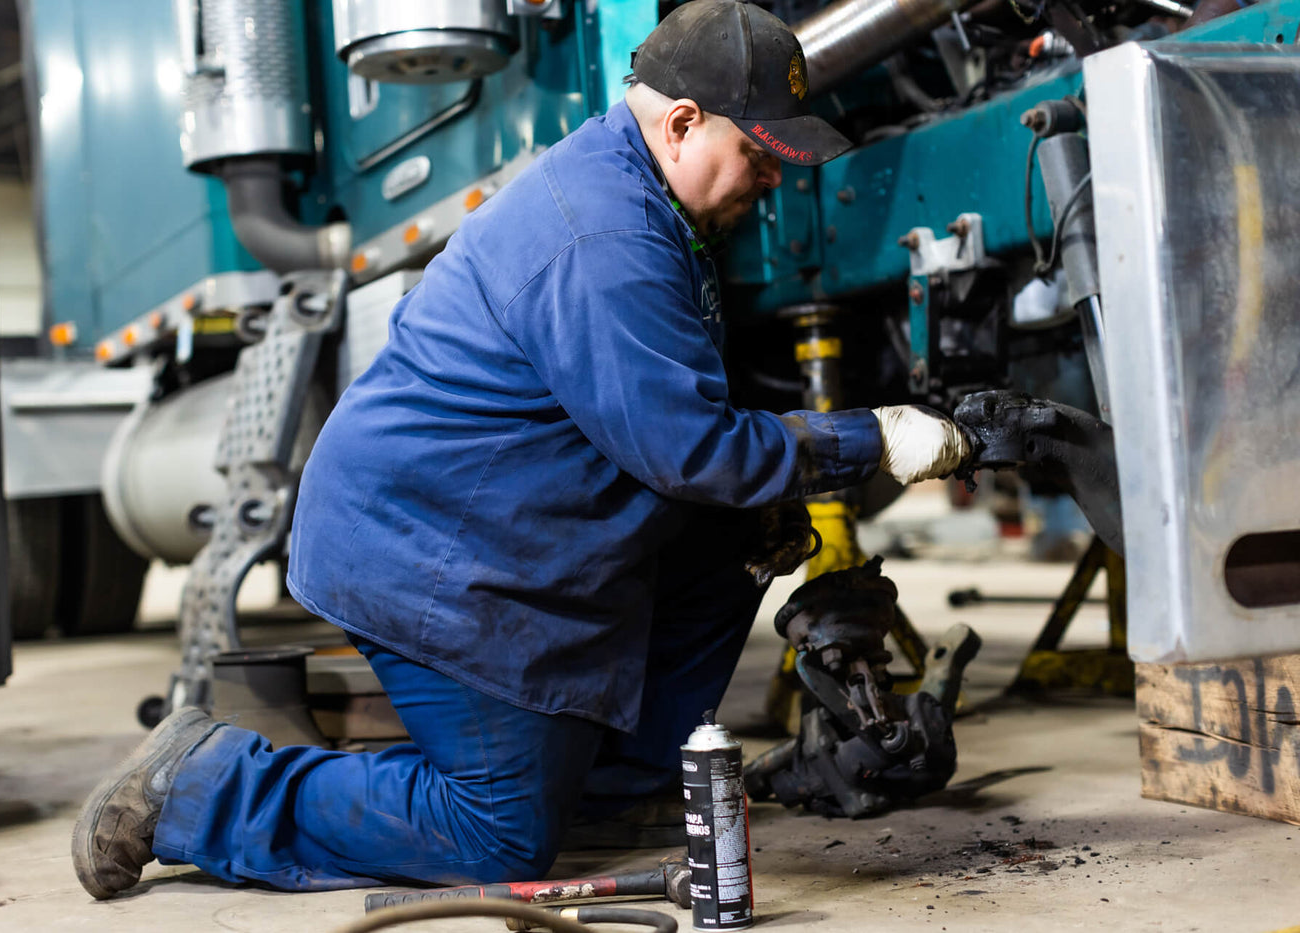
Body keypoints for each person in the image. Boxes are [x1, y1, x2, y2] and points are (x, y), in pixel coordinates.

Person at [72, 0, 969, 899]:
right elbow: (693, 450)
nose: (773, 176)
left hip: (495, 526)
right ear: (685, 123)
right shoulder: (606, 234)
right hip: (425, 554)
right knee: (496, 833)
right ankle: (205, 786)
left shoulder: (648, 197)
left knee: (741, 528)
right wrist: (878, 437)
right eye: (761, 152)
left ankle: (608, 791)